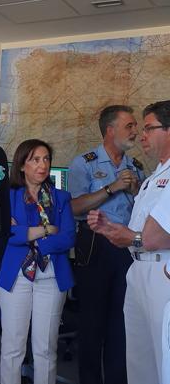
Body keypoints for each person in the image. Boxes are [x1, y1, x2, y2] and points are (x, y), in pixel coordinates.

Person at [87, 100, 170, 384]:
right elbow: (139, 232)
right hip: (137, 269)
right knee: (139, 362)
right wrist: (113, 229)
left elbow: (156, 236)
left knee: (163, 361)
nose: (141, 135)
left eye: (148, 128)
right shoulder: (151, 178)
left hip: (162, 275)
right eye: (137, 127)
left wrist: (131, 237)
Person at [67, 105, 145, 384]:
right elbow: (74, 207)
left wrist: (136, 190)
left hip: (127, 249)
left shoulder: (136, 167)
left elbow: (144, 211)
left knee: (121, 324)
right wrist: (111, 188)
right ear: (110, 130)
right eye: (130, 126)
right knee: (92, 324)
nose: (135, 132)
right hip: (95, 248)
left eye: (136, 126)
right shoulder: (83, 163)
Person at [0, 139, 75, 384]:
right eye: (35, 159)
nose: (42, 165)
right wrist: (42, 231)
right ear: (21, 165)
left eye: (46, 159)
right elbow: (3, 233)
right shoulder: (7, 197)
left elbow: (69, 236)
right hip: (16, 276)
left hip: (51, 277)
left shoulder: (60, 198)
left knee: (45, 349)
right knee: (12, 348)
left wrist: (33, 238)